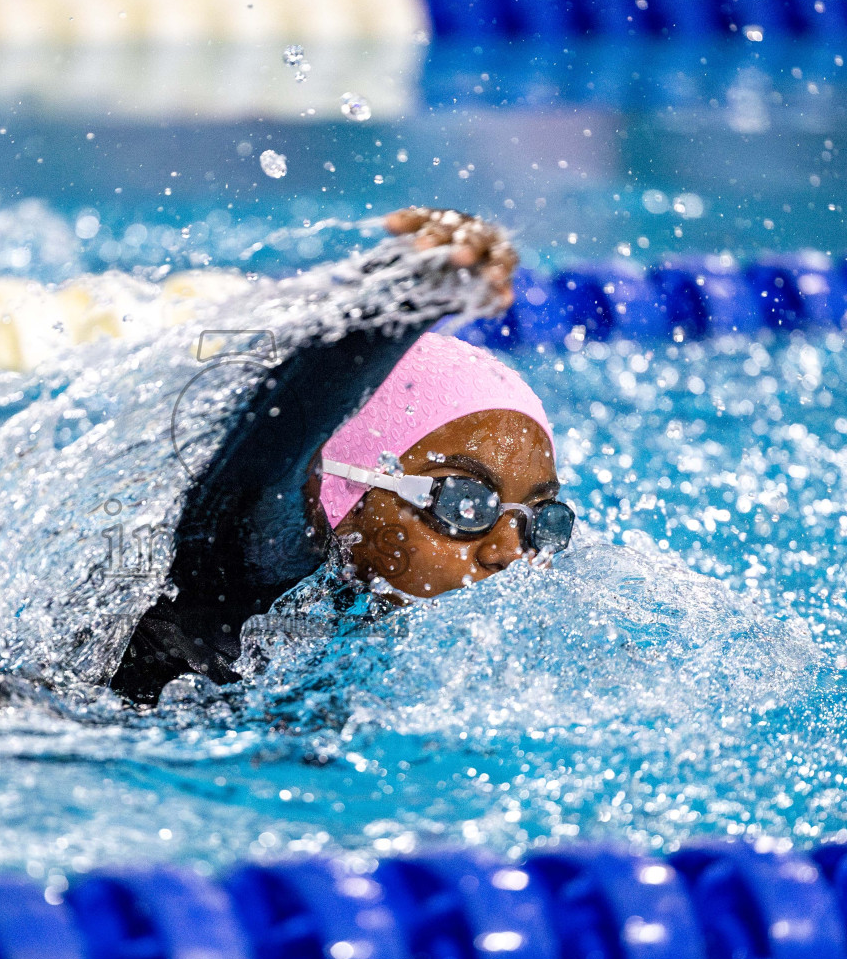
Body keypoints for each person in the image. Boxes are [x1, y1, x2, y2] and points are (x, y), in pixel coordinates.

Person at [110, 209, 570, 703]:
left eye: (542, 522)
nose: (509, 553)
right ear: (338, 485)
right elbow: (276, 445)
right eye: (464, 502)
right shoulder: (260, 569)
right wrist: (407, 300)